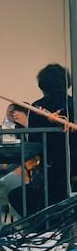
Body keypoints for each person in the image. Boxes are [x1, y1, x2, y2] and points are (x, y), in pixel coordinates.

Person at [8, 64, 75, 217]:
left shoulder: (38, 108)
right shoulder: (74, 104)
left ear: (43, 85)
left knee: (17, 196)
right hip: (72, 168)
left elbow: (33, 142)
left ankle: (38, 229)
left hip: (53, 171)